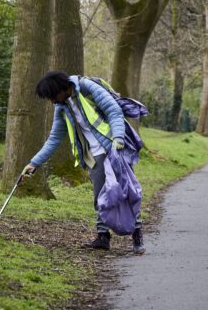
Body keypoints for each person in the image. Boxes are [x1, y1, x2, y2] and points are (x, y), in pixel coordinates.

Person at [23, 71, 145, 254]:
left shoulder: (88, 88)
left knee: (126, 191)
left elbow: (114, 112)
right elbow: (55, 138)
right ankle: (103, 237)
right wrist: (34, 163)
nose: (52, 102)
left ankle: (137, 234)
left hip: (113, 147)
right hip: (92, 155)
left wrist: (118, 138)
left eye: (52, 96)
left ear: (62, 89)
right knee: (100, 196)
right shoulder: (62, 106)